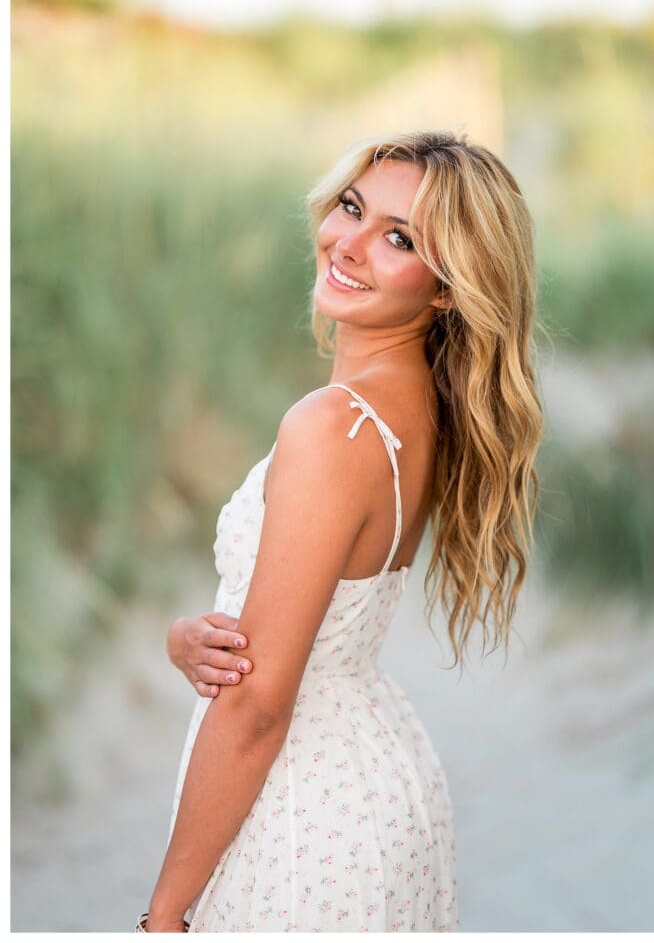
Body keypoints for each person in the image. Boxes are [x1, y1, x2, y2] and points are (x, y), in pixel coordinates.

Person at [137, 129, 543, 932]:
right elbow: (306, 618)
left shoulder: (336, 428)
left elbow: (256, 708)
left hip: (304, 812)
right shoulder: (420, 408)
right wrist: (191, 637)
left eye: (399, 239)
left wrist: (162, 915)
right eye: (352, 208)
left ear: (447, 288)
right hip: (375, 786)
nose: (349, 244)